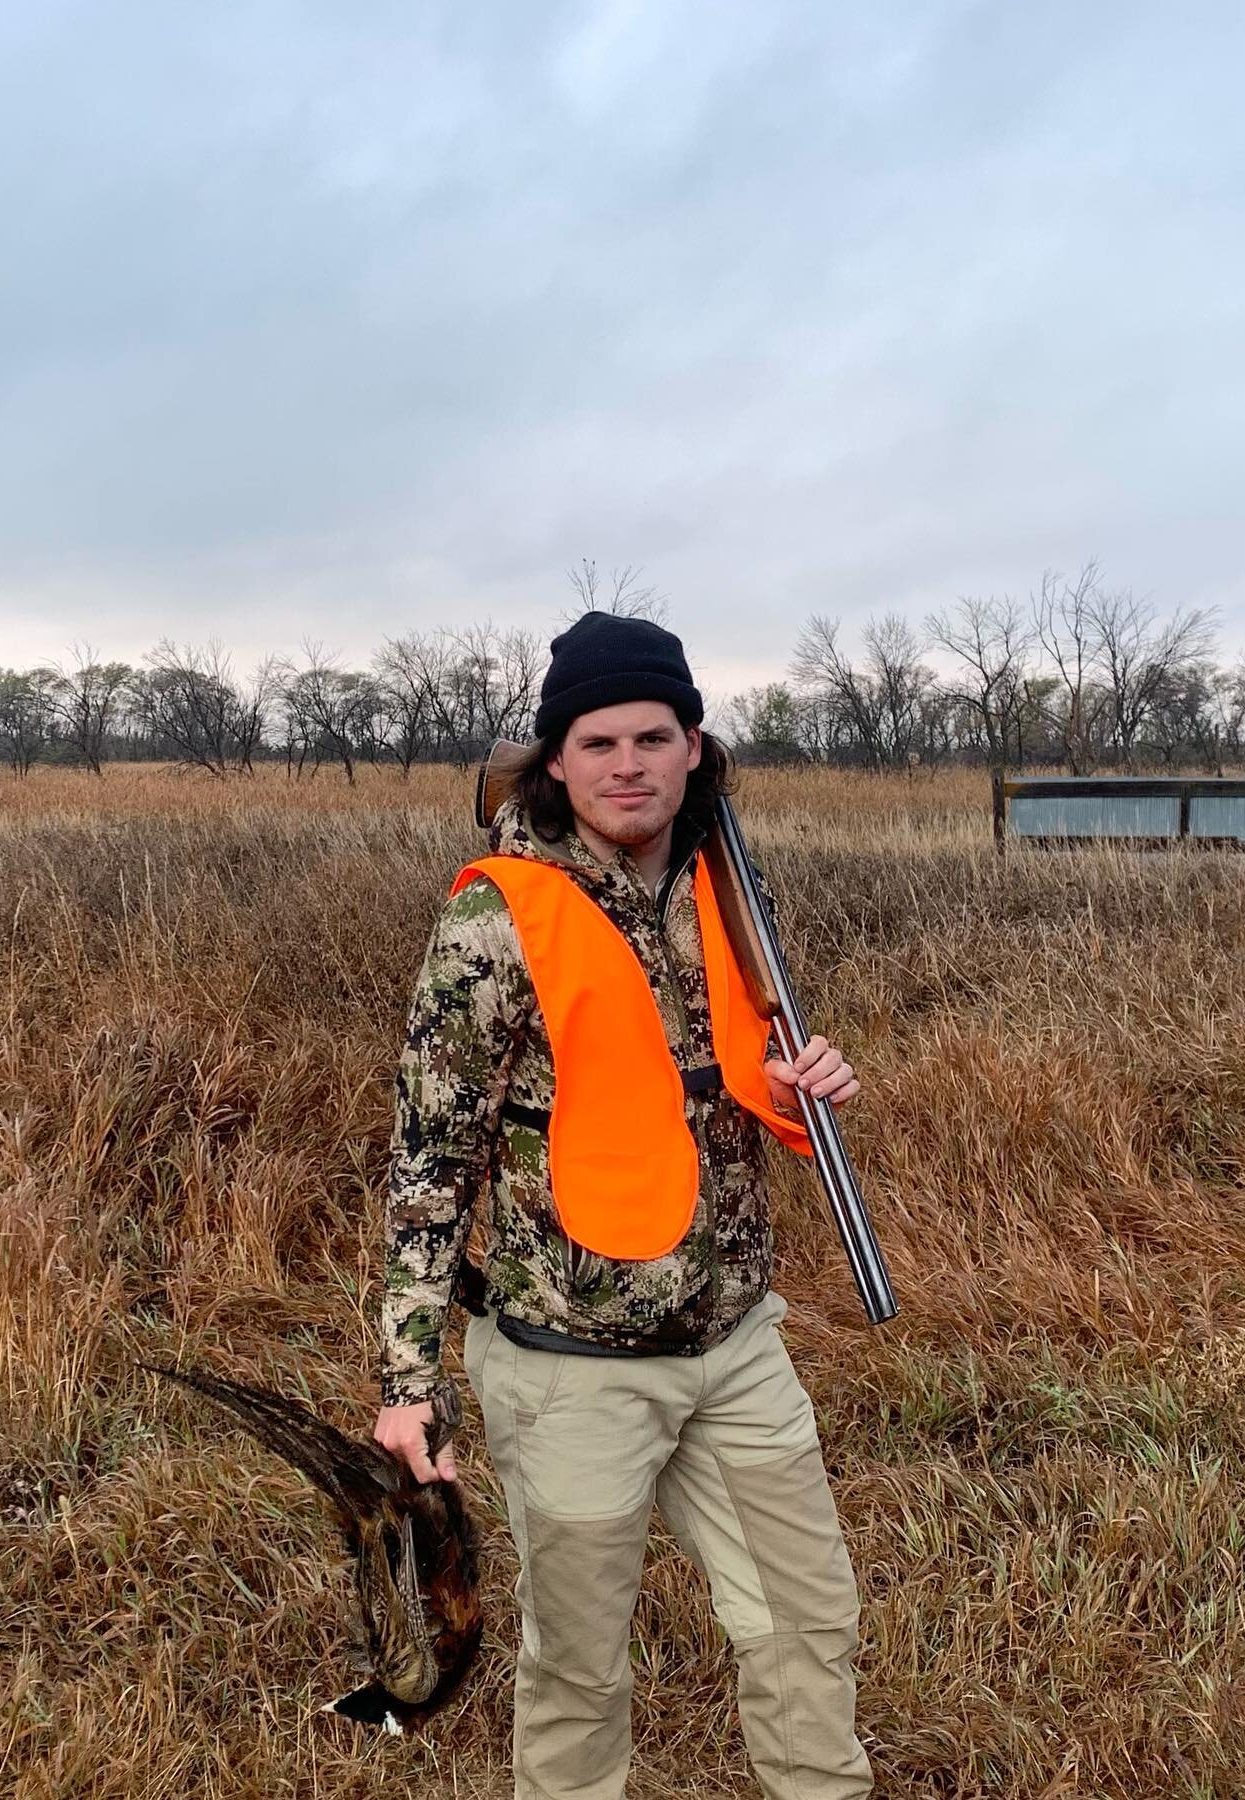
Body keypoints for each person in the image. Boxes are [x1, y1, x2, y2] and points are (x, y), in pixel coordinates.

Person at [374, 610, 872, 1799]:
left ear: (694, 746)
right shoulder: (496, 919)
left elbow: (726, 1082)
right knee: (579, 1674)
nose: (628, 765)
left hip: (737, 1340)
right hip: (570, 1362)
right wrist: (407, 1382)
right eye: (598, 743)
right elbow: (429, 1164)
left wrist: (801, 1084)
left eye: (654, 737)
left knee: (812, 1622)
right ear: (555, 759)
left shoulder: (727, 884)